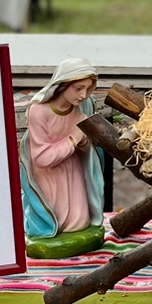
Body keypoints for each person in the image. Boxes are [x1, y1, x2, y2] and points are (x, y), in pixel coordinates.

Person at [21, 57, 104, 240]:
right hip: (49, 176)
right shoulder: (39, 111)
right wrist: (73, 139)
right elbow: (41, 158)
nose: (83, 95)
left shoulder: (82, 107)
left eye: (87, 89)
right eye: (78, 88)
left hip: (74, 172)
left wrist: (83, 143)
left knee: (79, 223)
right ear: (62, 84)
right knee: (57, 220)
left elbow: (89, 151)